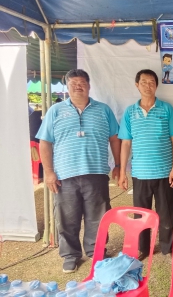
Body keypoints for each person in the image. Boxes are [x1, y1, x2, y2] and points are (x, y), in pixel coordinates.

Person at [36, 69, 121, 273]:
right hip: (65, 176)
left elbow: (114, 139)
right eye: (73, 83)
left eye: (82, 82)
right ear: (67, 87)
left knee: (98, 217)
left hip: (96, 172)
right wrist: (48, 172)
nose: (77, 86)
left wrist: (118, 165)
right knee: (67, 218)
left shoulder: (103, 110)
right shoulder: (55, 111)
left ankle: (96, 252)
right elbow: (45, 142)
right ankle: (70, 255)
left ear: (89, 86)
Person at [118, 69, 173, 260]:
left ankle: (167, 248)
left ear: (157, 85)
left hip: (164, 172)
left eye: (152, 81)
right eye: (144, 82)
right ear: (137, 85)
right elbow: (126, 143)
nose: (148, 85)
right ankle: (143, 249)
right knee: (141, 215)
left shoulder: (167, 108)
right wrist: (123, 173)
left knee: (167, 214)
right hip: (140, 173)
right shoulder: (130, 112)